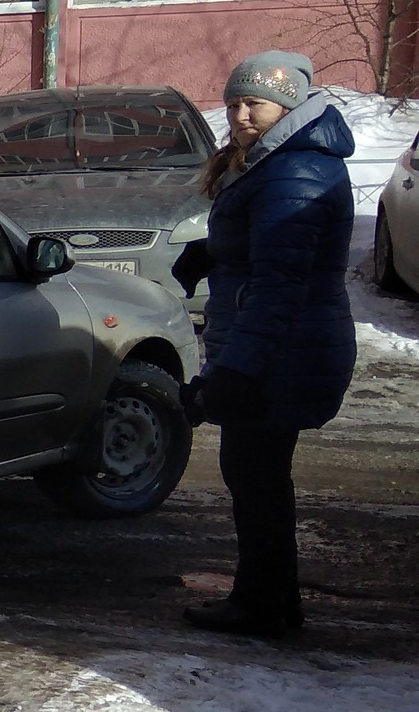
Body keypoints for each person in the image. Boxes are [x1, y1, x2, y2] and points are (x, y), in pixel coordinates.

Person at [181, 50, 356, 638]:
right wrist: (213, 254)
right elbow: (275, 251)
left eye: (253, 102)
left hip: (283, 350)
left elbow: (281, 285)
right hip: (283, 344)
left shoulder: (296, 169)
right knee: (259, 475)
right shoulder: (277, 163)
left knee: (255, 476)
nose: (239, 114)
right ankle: (272, 600)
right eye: (233, 102)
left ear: (289, 105)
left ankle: (262, 605)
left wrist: (235, 372)